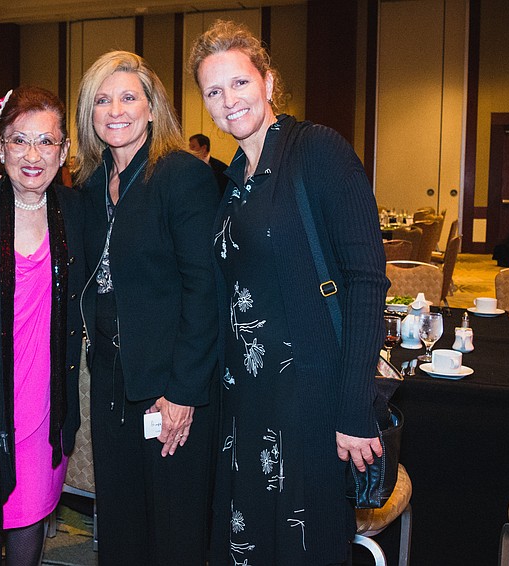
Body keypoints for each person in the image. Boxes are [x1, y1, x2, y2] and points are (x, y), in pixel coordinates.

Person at [189, 20, 389, 565]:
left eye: (240, 83)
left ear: (269, 82)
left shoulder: (318, 151)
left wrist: (353, 409)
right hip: (246, 402)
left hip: (311, 403)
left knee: (303, 547)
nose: (228, 100)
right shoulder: (233, 178)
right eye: (213, 90)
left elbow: (368, 281)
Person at [74, 51, 219, 565]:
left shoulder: (181, 175)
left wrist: (183, 391)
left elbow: (206, 291)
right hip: (112, 379)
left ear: (153, 108)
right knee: (120, 520)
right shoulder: (91, 185)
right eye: (102, 99)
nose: (115, 109)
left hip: (170, 386)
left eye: (129, 97)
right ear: (88, 114)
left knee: (173, 528)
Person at [0, 85, 84, 565]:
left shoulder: (76, 212)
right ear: (1, 146)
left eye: (47, 142)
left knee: (31, 522)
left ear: (64, 150)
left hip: (46, 405)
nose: (33, 155)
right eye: (20, 140)